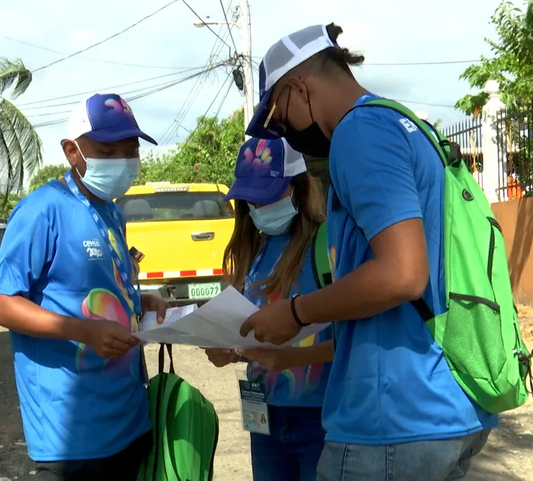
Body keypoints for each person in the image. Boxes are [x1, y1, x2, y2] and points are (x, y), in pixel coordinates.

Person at [240, 24, 496, 480]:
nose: (288, 133)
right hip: (447, 406)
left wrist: (296, 313)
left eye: (282, 119)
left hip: (393, 419)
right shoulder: (408, 127)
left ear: (298, 87)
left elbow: (402, 274)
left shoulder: (360, 132)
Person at [0, 93, 168, 481]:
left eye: (129, 150)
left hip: (129, 418)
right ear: (72, 151)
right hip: (73, 434)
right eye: (106, 150)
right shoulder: (42, 210)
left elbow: (99, 288)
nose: (121, 160)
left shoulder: (112, 210)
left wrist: (142, 301)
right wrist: (82, 330)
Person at [204, 137, 334, 481]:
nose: (258, 204)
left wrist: (292, 359)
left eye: (269, 192)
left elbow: (356, 338)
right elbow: (253, 333)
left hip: (322, 418)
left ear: (300, 187)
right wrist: (231, 351)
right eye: (250, 196)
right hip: (265, 416)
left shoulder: (328, 243)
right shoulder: (253, 248)